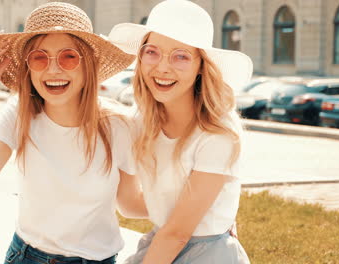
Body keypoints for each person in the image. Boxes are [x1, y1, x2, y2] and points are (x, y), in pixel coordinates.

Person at [0, 2, 147, 263]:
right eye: (39, 58)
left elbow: (130, 203)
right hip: (26, 256)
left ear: (89, 66)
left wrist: (198, 208)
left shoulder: (119, 125)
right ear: (28, 69)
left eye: (69, 56)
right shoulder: (19, 114)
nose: (53, 70)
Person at [108, 0, 253, 263]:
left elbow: (178, 234)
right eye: (152, 52)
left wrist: (213, 218)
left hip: (207, 253)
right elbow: (129, 205)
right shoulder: (140, 122)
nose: (163, 67)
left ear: (201, 66)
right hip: (163, 241)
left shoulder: (218, 132)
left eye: (181, 56)